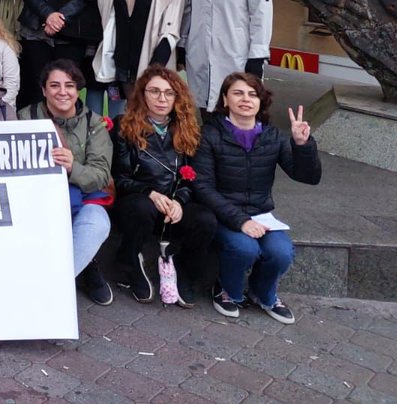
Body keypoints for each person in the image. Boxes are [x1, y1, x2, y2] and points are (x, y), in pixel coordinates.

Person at [194, 73, 321, 324]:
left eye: (253, 94)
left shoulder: (272, 136)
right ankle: (227, 289)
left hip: (261, 215)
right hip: (224, 214)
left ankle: (263, 293)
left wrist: (302, 144)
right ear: (225, 99)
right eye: (238, 93)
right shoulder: (209, 134)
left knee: (281, 252)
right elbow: (202, 186)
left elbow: (308, 176)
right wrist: (240, 221)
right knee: (244, 248)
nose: (246, 99)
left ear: (261, 102)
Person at [111, 67, 216, 306]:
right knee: (141, 209)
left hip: (173, 204)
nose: (161, 99)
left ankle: (184, 270)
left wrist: (180, 200)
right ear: (142, 95)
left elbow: (193, 177)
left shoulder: (187, 128)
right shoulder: (123, 126)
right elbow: (120, 176)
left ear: (177, 98)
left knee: (206, 220)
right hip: (138, 200)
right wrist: (150, 193)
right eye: (154, 91)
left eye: (169, 93)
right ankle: (129, 262)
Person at [20, 60, 114, 306]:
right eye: (55, 85)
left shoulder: (94, 123)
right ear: (43, 90)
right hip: (35, 200)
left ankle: (52, 287)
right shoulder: (25, 117)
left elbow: (101, 175)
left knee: (98, 223)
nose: (63, 92)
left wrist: (73, 167)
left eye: (69, 85)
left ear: (78, 90)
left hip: (79, 198)